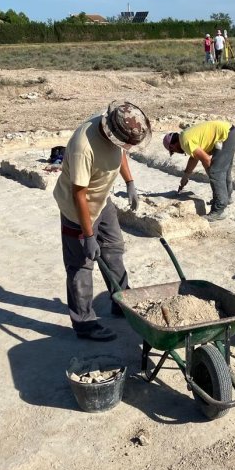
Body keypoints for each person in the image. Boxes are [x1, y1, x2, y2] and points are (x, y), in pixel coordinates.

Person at [53, 101, 152, 341]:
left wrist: (129, 182)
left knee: (113, 249)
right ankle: (84, 324)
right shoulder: (82, 147)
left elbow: (121, 151)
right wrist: (87, 235)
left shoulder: (115, 124)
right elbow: (79, 194)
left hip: (102, 200)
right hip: (78, 208)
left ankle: (121, 300)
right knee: (81, 266)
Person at [162, 120, 235, 221]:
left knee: (216, 172)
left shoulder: (185, 142)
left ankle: (218, 210)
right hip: (231, 133)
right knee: (224, 170)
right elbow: (194, 157)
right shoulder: (185, 136)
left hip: (226, 137)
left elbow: (206, 159)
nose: (176, 152)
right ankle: (226, 198)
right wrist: (186, 176)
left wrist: (213, 176)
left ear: (172, 146)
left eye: (173, 151)